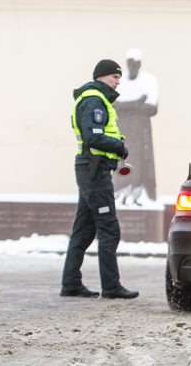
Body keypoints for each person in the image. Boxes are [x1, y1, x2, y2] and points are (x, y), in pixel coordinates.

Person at [60, 59, 139, 299]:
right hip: (94, 172)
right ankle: (112, 287)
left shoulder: (95, 99)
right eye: (115, 77)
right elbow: (93, 136)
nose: (118, 81)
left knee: (83, 230)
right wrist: (119, 147)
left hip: (90, 170)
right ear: (102, 76)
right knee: (108, 228)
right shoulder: (94, 100)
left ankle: (71, 284)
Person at [113, 48, 159, 206]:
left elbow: (152, 108)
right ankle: (121, 192)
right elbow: (113, 105)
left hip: (140, 130)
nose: (132, 67)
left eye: (135, 64)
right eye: (129, 64)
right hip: (122, 129)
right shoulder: (120, 82)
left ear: (139, 64)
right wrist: (138, 102)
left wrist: (125, 106)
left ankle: (138, 193)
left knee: (140, 160)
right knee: (121, 159)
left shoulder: (149, 80)